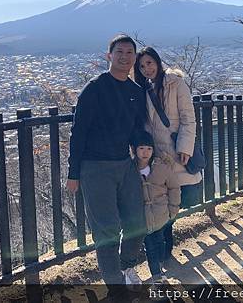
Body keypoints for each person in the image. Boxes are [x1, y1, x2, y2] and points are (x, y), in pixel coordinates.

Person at [66, 34, 147, 298]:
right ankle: (115, 286)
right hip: (95, 166)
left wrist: (144, 151)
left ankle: (124, 269)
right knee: (107, 229)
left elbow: (136, 129)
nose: (124, 57)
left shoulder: (136, 92)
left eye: (129, 53)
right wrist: (74, 173)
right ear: (109, 56)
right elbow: (78, 132)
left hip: (125, 163)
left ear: (135, 58)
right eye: (119, 52)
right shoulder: (95, 87)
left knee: (137, 223)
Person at [134, 46, 203, 265]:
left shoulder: (176, 83)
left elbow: (188, 117)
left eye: (149, 63)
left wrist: (185, 147)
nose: (146, 68)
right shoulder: (143, 89)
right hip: (156, 156)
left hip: (175, 153)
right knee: (158, 199)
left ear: (158, 61)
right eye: (142, 65)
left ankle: (164, 247)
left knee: (174, 198)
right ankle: (163, 249)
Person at [132, 131, 180, 288]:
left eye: (148, 149)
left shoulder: (161, 167)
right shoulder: (130, 169)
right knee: (150, 247)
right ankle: (157, 277)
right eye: (141, 149)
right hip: (142, 218)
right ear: (134, 150)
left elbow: (173, 187)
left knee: (160, 243)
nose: (145, 153)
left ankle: (159, 270)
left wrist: (173, 208)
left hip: (160, 215)